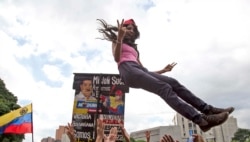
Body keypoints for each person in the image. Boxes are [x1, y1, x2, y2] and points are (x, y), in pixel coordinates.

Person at [97, 18, 234, 132]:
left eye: (133, 29)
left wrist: (162, 71)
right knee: (164, 88)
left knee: (172, 82)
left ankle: (208, 110)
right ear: (121, 28)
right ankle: (200, 120)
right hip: (127, 70)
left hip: (138, 70)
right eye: (127, 27)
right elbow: (116, 58)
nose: (130, 30)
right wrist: (119, 37)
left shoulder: (134, 49)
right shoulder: (116, 41)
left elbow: (144, 71)